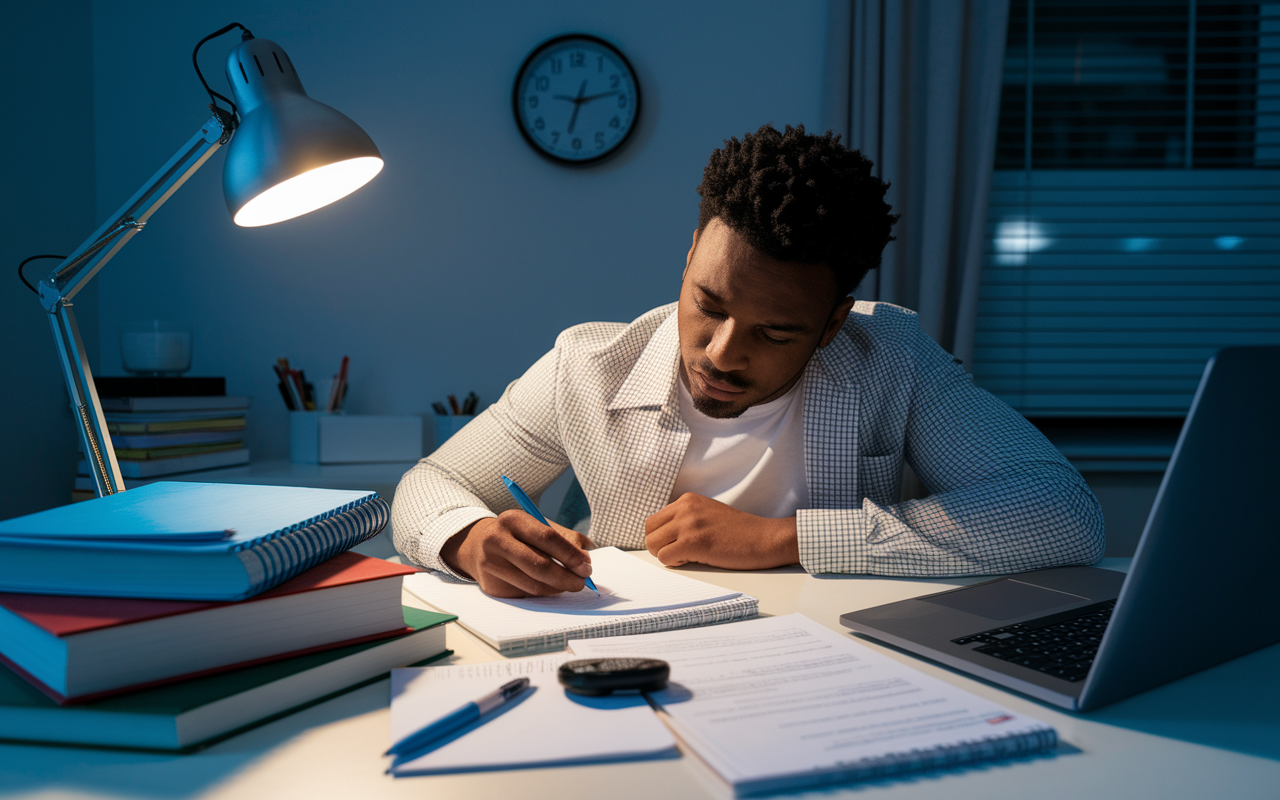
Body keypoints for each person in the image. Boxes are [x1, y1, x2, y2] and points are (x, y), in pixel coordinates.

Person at [391, 124, 1104, 598]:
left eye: (775, 333)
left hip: (831, 667)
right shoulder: (588, 364)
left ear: (830, 326)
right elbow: (433, 480)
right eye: (710, 303)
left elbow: (1063, 515)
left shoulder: (892, 358)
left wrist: (781, 541)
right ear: (689, 255)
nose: (722, 352)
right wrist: (469, 537)